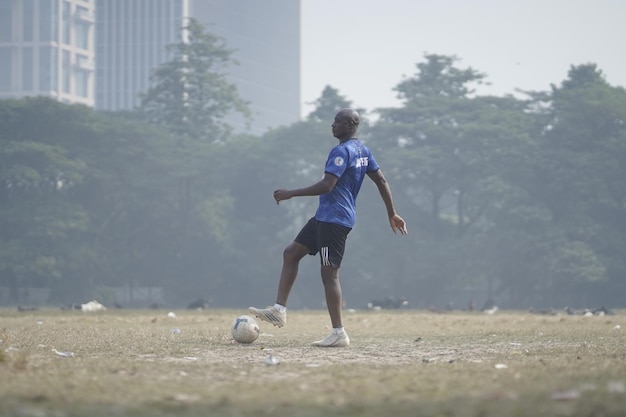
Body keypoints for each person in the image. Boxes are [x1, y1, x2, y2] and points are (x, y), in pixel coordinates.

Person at [249, 108, 408, 347]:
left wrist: (291, 192)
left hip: (334, 221)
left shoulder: (341, 151)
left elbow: (327, 185)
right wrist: (392, 212)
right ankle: (279, 309)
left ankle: (338, 333)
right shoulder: (363, 150)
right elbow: (381, 180)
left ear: (352, 124)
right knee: (291, 252)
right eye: (334, 120)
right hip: (324, 218)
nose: (332, 125)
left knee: (329, 273)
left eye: (338, 121)